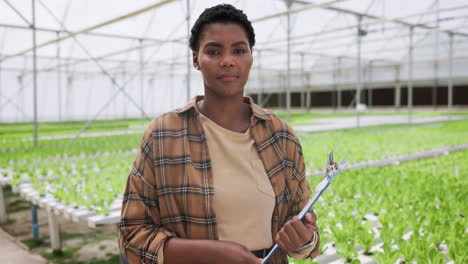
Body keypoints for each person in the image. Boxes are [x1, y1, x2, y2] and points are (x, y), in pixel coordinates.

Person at [119, 4, 320, 264]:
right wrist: (218, 253)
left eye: (239, 50)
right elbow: (132, 234)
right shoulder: (162, 135)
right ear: (196, 60)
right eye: (214, 51)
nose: (228, 60)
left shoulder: (281, 136)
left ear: (250, 57)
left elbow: (304, 230)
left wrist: (304, 239)